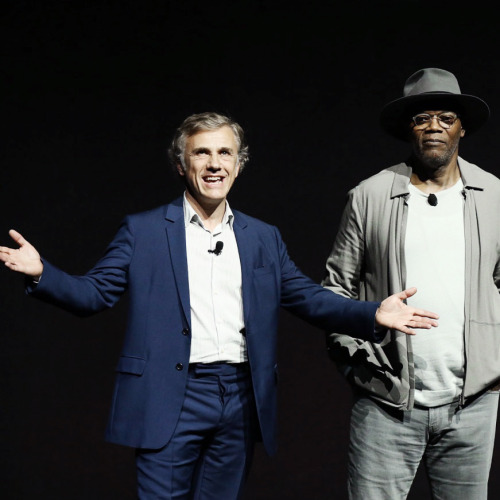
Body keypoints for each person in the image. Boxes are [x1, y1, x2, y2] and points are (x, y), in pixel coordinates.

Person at [0, 111, 437, 500]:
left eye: (225, 153)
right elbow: (94, 294)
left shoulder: (262, 236)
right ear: (181, 164)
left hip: (240, 397)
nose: (214, 164)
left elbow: (306, 297)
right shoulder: (144, 231)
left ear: (238, 164)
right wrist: (42, 273)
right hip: (171, 395)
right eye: (202, 153)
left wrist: (371, 313)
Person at [322, 68, 500, 500]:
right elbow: (333, 292)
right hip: (387, 403)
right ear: (409, 129)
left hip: (471, 405)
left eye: (445, 117)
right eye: (422, 118)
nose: (433, 126)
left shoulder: (492, 196)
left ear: (461, 128)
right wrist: (360, 366)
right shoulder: (371, 195)